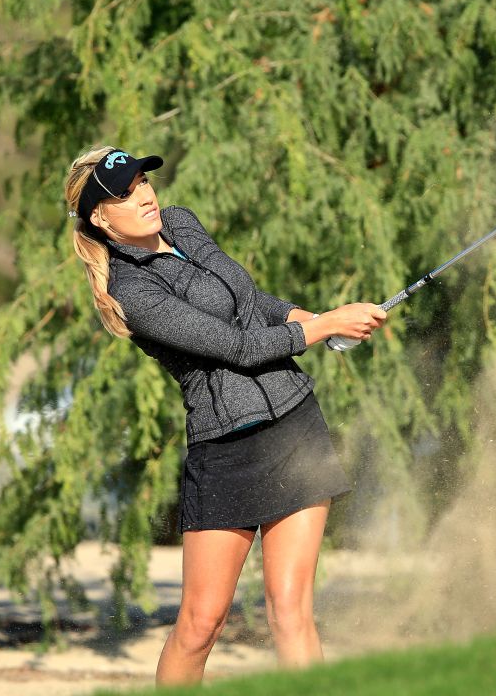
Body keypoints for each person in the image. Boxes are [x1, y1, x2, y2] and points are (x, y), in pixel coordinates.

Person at [63, 145, 386, 685]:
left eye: (144, 181)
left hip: (295, 426)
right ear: (100, 217)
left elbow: (247, 298)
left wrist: (303, 315)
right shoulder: (132, 291)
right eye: (127, 192)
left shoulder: (182, 223)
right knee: (200, 624)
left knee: (291, 610)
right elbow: (233, 346)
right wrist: (326, 326)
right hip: (226, 453)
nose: (145, 195)